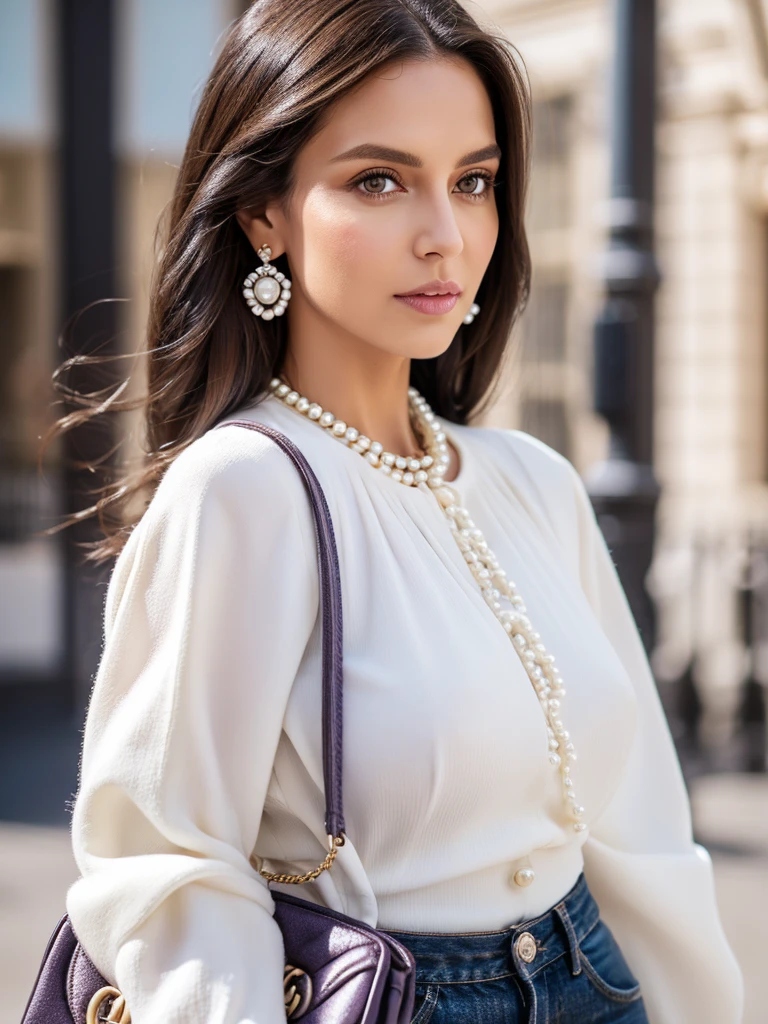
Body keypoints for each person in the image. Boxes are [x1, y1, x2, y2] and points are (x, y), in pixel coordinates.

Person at [52, 1, 743, 1021]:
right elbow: (169, 871)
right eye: (378, 181)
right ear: (264, 215)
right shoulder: (243, 489)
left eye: (473, 182)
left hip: (596, 978)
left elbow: (639, 829)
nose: (443, 235)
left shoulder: (532, 481)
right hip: (396, 993)